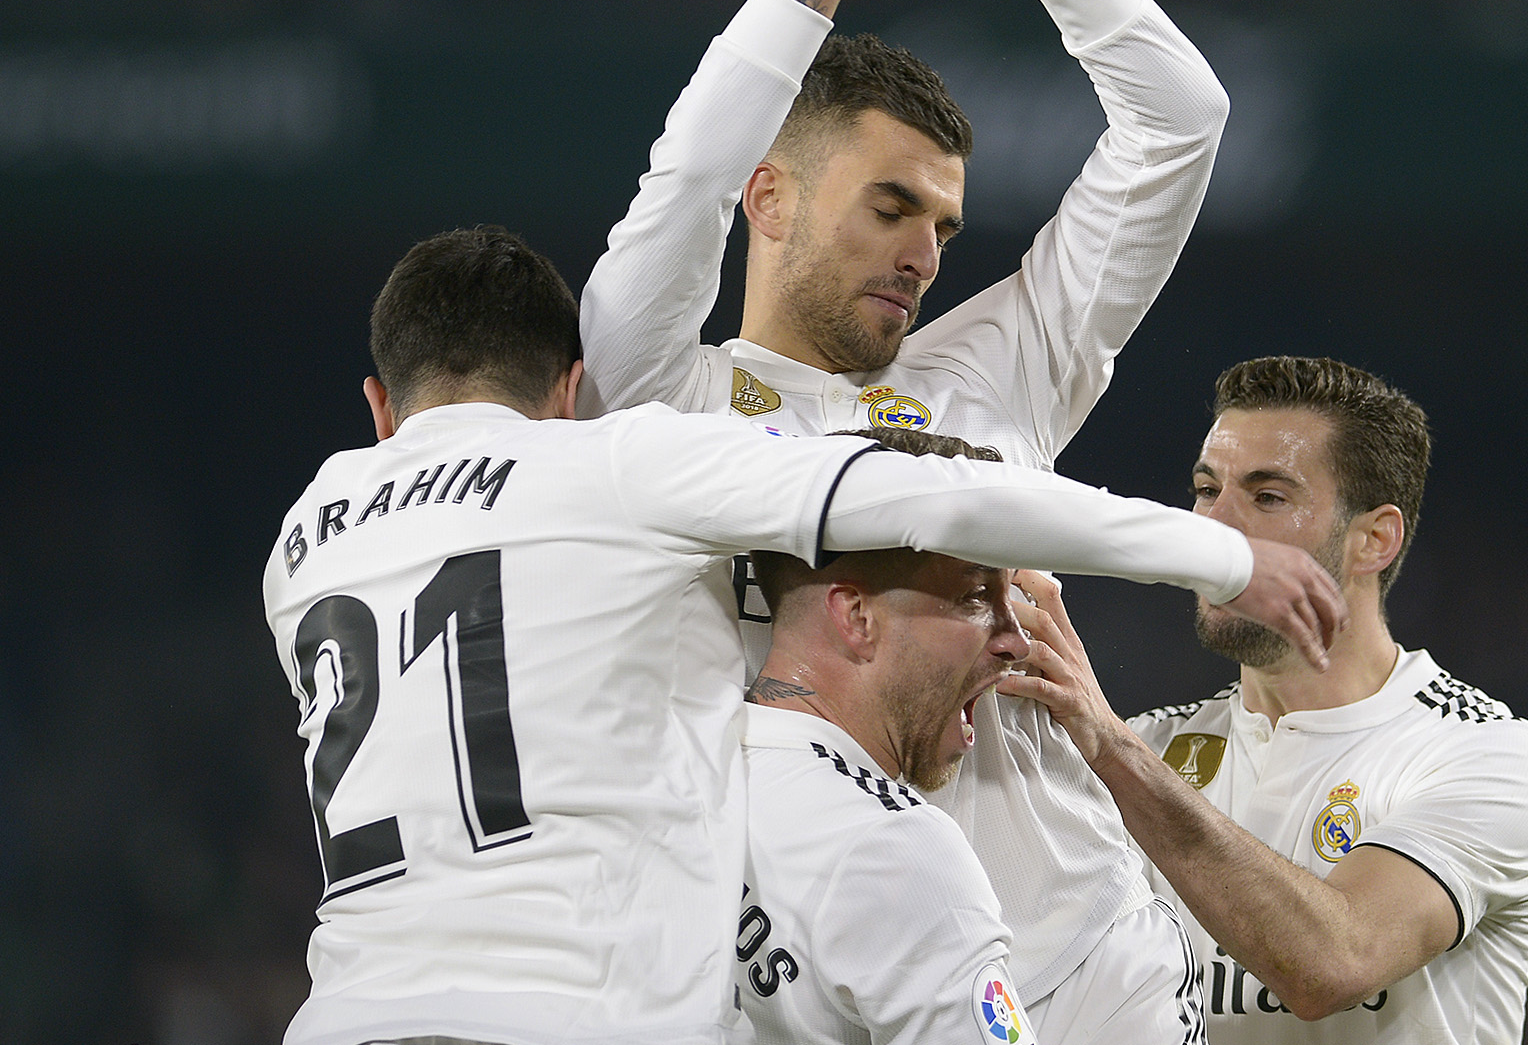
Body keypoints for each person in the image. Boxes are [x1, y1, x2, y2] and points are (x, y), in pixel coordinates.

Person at [579, 0, 1343, 1043]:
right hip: (814, 996)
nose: (925, 254)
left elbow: (1178, 120)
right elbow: (684, 169)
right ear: (770, 195)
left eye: (942, 222)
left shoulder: (987, 374)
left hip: (1092, 984)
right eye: (889, 208)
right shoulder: (656, 399)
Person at [262, 229, 1313, 1045]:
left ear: (380, 406)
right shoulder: (612, 464)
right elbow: (933, 499)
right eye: (974, 601)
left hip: (343, 1012)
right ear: (572, 392)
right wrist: (1222, 557)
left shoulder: (302, 541)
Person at [999, 357, 1528, 1043]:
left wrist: (1113, 750)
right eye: (1206, 491)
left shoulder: (1486, 756)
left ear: (1374, 540)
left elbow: (1333, 964)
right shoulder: (1152, 749)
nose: (1212, 526)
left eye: (1267, 497)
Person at [741, 426, 1198, 1045]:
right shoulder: (901, 851)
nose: (1017, 640)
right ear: (856, 616)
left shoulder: (675, 778)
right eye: (976, 595)